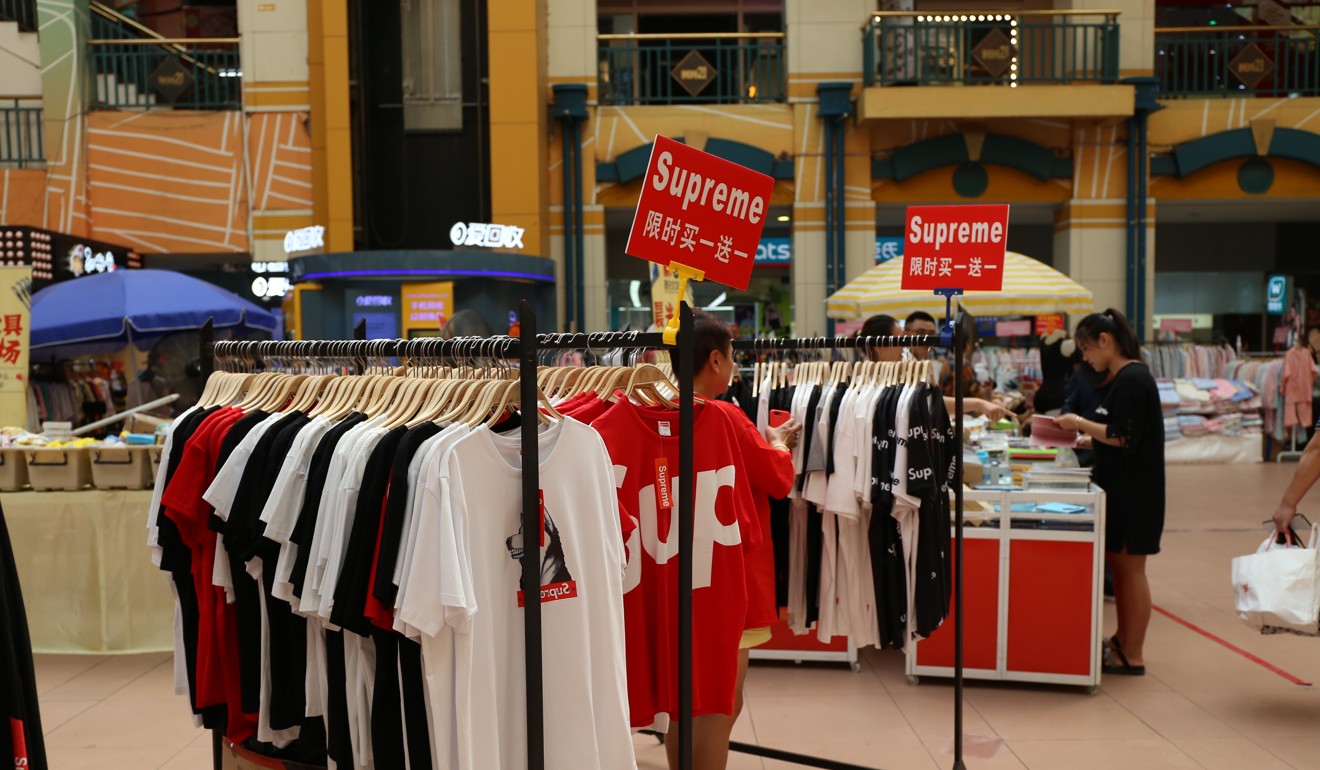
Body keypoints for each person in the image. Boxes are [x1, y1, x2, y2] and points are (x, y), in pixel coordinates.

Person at [667, 309, 801, 770]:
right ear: (715, 361)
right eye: (730, 357)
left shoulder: (658, 410)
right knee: (722, 704)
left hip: (678, 574)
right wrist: (780, 441)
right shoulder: (726, 416)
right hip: (728, 578)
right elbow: (778, 478)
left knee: (685, 702)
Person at [1054, 308, 1164, 676]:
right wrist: (1088, 436)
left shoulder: (1132, 378)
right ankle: (1121, 640)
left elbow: (1124, 434)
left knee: (1131, 572)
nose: (1085, 358)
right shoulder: (1124, 377)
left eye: (1087, 349)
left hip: (1136, 493)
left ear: (1105, 341)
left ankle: (1132, 653)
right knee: (1120, 567)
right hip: (1123, 488)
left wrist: (1079, 422)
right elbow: (1119, 432)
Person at [859, 314, 1010, 421]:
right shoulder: (864, 387)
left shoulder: (902, 373)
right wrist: (979, 403)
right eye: (920, 333)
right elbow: (929, 401)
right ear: (880, 345)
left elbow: (930, 401)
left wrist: (979, 404)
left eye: (931, 334)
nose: (927, 339)